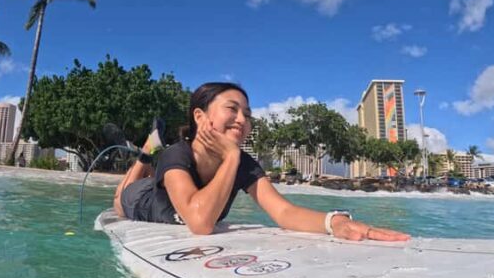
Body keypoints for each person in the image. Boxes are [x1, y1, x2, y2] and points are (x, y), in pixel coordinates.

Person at [113, 82, 409, 241]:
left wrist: (334, 222)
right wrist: (230, 156)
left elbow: (283, 211)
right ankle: (144, 154)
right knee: (120, 198)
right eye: (232, 109)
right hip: (141, 202)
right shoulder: (178, 153)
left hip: (172, 190)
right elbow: (201, 223)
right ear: (200, 117)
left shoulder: (243, 163)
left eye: (247, 114)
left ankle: (148, 156)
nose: (242, 119)